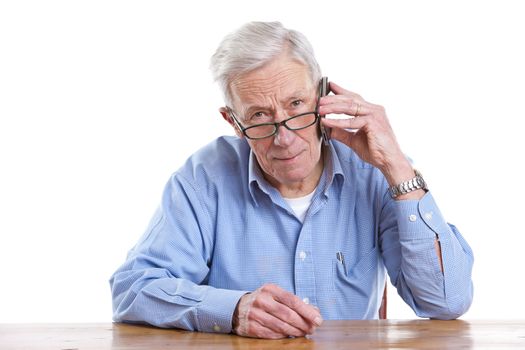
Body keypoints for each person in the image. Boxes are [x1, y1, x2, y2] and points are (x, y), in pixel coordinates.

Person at [110, 21, 474, 339]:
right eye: (259, 115)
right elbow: (133, 289)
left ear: (322, 97)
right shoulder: (204, 177)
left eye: (296, 104)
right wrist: (232, 311)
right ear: (233, 122)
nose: (283, 137)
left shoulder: (375, 171)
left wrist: (396, 165)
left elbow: (446, 301)